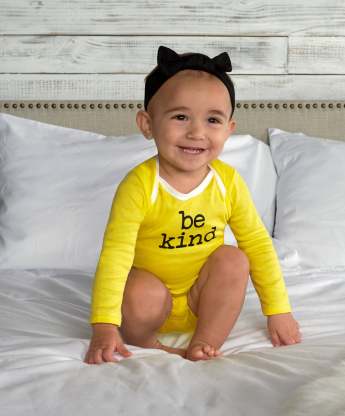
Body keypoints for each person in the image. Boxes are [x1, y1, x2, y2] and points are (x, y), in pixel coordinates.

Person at [84, 45, 301, 365]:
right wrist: (103, 324)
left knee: (234, 258)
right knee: (139, 287)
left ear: (229, 130)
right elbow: (116, 254)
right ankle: (148, 343)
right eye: (180, 117)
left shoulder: (227, 182)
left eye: (212, 119)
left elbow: (257, 243)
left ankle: (205, 341)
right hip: (148, 305)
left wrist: (278, 310)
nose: (196, 132)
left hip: (201, 301)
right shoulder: (140, 185)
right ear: (147, 124)